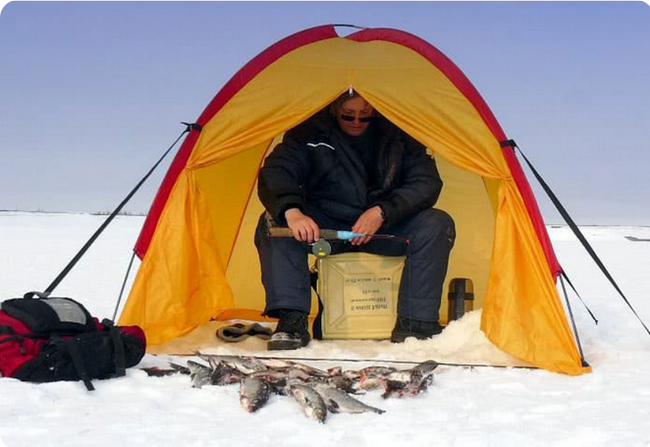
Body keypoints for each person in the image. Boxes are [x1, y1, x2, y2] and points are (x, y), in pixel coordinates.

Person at [255, 90, 456, 350]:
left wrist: (382, 212)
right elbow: (277, 171)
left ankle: (415, 324)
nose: (357, 122)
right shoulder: (307, 134)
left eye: (366, 116)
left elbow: (426, 182)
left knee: (437, 224)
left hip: (384, 227)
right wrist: (293, 211)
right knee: (274, 222)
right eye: (348, 116)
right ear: (335, 110)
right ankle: (292, 321)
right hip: (325, 228)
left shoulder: (401, 134)